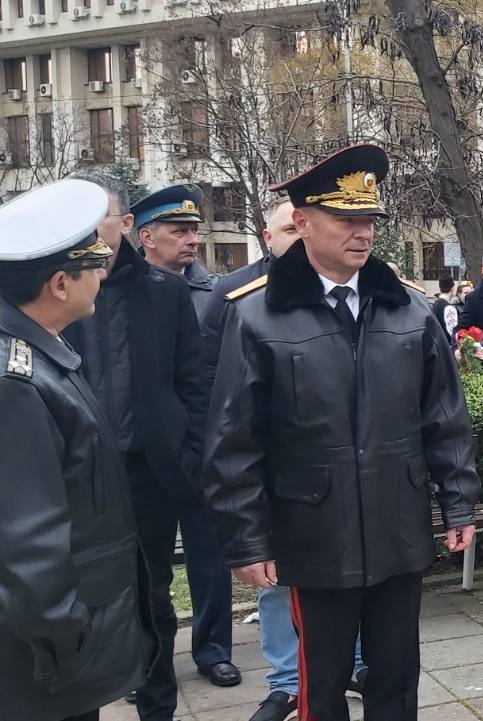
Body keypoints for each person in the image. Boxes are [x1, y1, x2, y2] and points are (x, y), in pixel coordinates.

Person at [204, 144, 480, 721]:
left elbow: (445, 419)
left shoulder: (409, 309)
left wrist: (459, 506)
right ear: (302, 224)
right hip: (313, 533)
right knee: (321, 684)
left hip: (397, 526)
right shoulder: (256, 316)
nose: (362, 233)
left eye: (370, 220)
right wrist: (248, 541)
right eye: (346, 219)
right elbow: (235, 440)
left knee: (397, 677)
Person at [63, 174, 233, 720]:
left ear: (126, 226)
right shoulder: (50, 291)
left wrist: (186, 457)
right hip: (74, 480)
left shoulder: (165, 293)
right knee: (75, 606)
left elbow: (194, 386)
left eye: (101, 221)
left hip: (148, 475)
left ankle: (157, 706)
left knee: (152, 597)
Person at [0, 179, 156, 721]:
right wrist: (67, 645)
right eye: (94, 267)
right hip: (40, 670)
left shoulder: (40, 354)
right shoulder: (16, 380)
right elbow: (28, 540)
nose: (103, 276)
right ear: (61, 283)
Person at [202, 196, 299, 370]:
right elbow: (208, 365)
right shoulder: (233, 289)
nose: (301, 237)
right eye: (291, 229)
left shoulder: (335, 283)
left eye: (306, 228)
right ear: (268, 238)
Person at [131, 183, 216, 317]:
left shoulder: (218, 293)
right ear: (148, 238)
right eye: (180, 232)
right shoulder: (119, 290)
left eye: (194, 231)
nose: (194, 241)